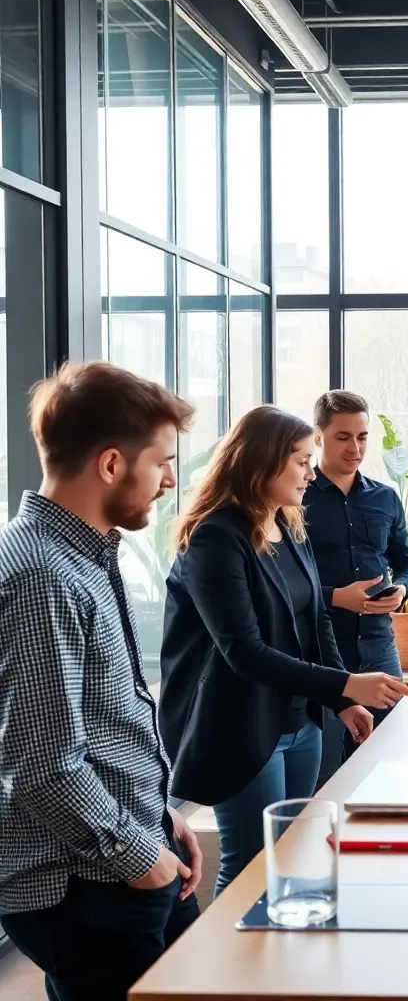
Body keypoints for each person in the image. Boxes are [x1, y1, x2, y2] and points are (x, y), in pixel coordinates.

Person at [0, 361, 202, 1001]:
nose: (170, 480)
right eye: (162, 462)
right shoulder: (44, 577)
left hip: (122, 856)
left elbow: (103, 722)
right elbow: (45, 767)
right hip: (86, 884)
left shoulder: (83, 554)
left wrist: (158, 818)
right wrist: (141, 856)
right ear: (111, 464)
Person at [158, 406, 408, 894]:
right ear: (263, 462)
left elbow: (317, 622)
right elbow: (245, 652)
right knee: (253, 866)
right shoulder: (215, 537)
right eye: (301, 462)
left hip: (301, 722)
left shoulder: (288, 524)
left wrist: (342, 700)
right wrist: (346, 683)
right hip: (240, 724)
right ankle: (234, 948)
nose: (311, 474)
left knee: (293, 854)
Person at [304, 390, 408, 779]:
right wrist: (336, 598)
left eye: (362, 437)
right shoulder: (295, 497)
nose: (355, 448)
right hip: (321, 652)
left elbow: (407, 562)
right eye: (343, 437)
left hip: (379, 646)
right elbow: (282, 582)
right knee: (325, 775)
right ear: (318, 436)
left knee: (390, 764)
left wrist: (401, 589)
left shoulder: (385, 497)